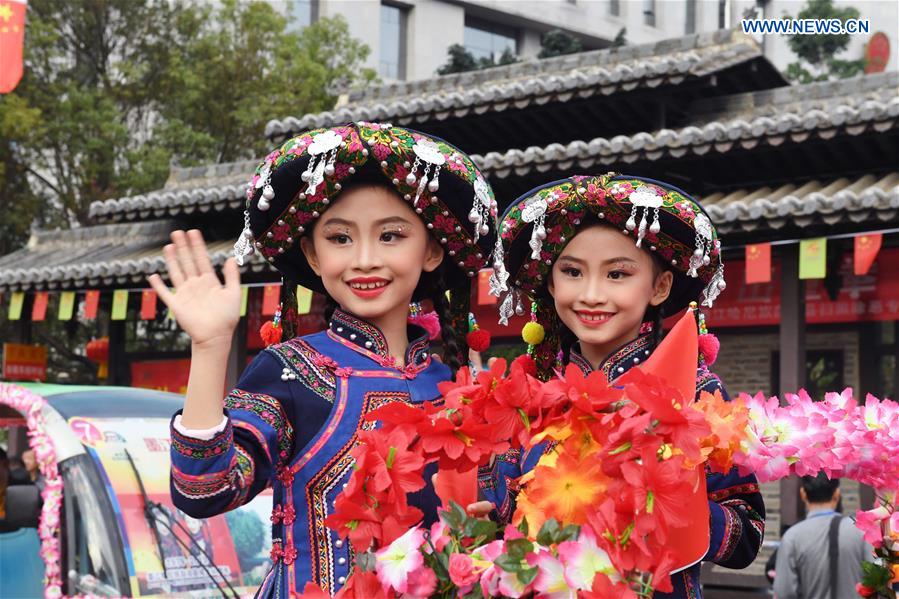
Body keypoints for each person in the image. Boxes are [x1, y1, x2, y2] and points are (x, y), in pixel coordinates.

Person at [150, 123, 500, 596]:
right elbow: (205, 490)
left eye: (391, 235)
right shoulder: (291, 371)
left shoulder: (455, 387)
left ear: (432, 250)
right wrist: (210, 348)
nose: (364, 259)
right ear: (313, 256)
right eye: (340, 238)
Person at [488, 173, 765, 598]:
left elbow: (748, 534)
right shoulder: (533, 394)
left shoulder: (695, 392)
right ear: (551, 284)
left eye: (617, 274)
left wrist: (666, 500)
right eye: (572, 272)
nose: (591, 294)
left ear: (660, 286)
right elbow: (510, 512)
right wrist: (489, 517)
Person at [773, 474, 873, 599]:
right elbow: (874, 577)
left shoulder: (792, 537)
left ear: (803, 494)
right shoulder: (860, 530)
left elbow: (784, 592)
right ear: (837, 494)